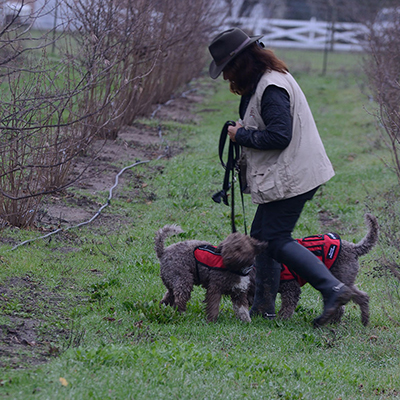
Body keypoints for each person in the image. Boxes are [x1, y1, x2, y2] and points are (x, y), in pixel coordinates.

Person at [208, 27, 352, 327]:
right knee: (261, 238)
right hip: (293, 172)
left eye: (228, 69)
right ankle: (264, 306)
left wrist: (243, 135)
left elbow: (279, 135)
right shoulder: (265, 81)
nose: (226, 77)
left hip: (294, 175)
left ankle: (332, 288)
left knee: (274, 239)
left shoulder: (271, 86)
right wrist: (244, 128)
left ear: (243, 62)